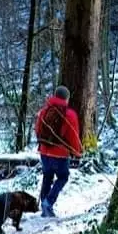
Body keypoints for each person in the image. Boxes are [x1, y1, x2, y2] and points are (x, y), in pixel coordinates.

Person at [34, 85, 83, 217]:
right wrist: (77, 152)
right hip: (60, 153)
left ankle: (44, 204)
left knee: (47, 176)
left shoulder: (43, 111)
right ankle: (48, 203)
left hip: (44, 152)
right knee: (63, 177)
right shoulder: (70, 115)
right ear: (67, 99)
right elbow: (74, 136)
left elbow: (37, 130)